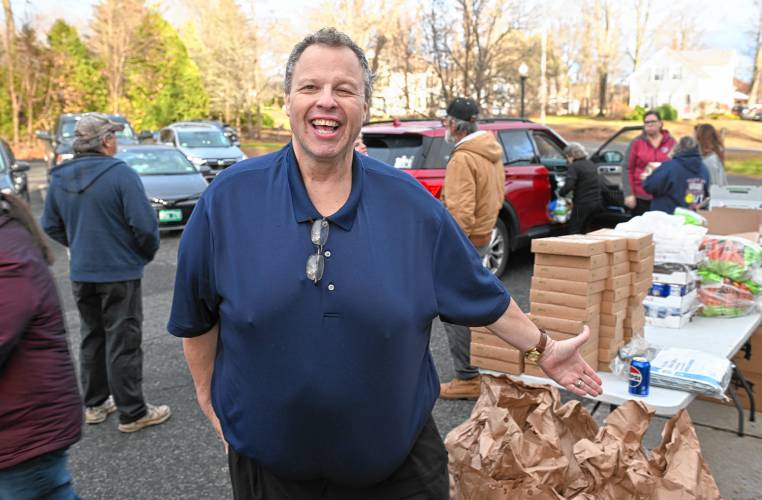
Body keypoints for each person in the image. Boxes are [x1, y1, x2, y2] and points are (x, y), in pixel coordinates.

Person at [169, 27, 601, 500]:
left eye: (345, 89)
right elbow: (197, 316)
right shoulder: (228, 199)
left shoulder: (411, 206)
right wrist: (208, 397)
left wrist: (543, 347)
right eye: (311, 87)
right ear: (288, 99)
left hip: (398, 472)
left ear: (365, 107)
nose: (327, 101)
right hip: (271, 473)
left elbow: (481, 293)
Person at [41, 113, 171, 433]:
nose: (115, 140)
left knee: (92, 336)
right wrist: (141, 254)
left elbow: (50, 225)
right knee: (123, 340)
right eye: (112, 135)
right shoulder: (120, 174)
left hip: (82, 272)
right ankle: (132, 412)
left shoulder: (59, 176)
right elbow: (144, 226)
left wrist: (78, 245)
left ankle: (96, 403)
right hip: (118, 272)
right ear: (105, 141)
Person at [0, 193, 83, 499]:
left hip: (22, 434)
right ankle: (123, 407)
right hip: (21, 429)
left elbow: (53, 222)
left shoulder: (7, 256)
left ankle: (113, 403)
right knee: (117, 337)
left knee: (103, 337)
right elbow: (142, 228)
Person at [438, 97, 505, 400]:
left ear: (454, 124)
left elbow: (460, 213)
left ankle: (467, 377)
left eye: (445, 121)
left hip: (464, 242)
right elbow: (497, 197)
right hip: (483, 236)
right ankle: (473, 371)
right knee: (469, 304)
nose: (444, 127)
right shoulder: (491, 152)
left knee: (454, 311)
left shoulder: (463, 158)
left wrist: (450, 251)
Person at [623, 110, 676, 215]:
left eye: (653, 122)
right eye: (646, 123)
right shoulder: (636, 143)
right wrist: (629, 194)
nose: (649, 125)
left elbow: (676, 168)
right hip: (640, 197)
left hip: (664, 196)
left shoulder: (671, 142)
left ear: (660, 123)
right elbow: (627, 168)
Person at [643, 136, 710, 214]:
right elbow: (705, 194)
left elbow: (650, 186)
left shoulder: (669, 167)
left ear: (677, 148)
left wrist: (646, 177)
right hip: (692, 218)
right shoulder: (704, 169)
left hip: (667, 217)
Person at [559, 142, 602, 234]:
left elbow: (569, 186)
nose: (566, 160)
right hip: (596, 203)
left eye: (566, 157)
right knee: (585, 228)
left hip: (582, 205)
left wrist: (560, 193)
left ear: (571, 156)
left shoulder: (574, 167)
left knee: (574, 229)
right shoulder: (590, 164)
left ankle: (574, 248)